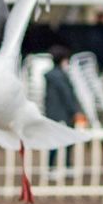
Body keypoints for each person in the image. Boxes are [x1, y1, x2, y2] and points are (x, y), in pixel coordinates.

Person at [43, 45, 84, 173]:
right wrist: (75, 111)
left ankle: (51, 166)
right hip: (64, 114)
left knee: (54, 141)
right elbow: (67, 95)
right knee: (66, 140)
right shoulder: (60, 76)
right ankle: (65, 166)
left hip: (52, 113)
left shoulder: (50, 75)